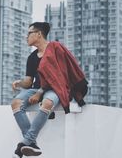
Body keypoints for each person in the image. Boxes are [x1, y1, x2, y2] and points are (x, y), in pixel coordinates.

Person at [11, 22, 88, 157]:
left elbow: (60, 75)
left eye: (29, 33)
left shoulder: (56, 48)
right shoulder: (32, 57)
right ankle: (31, 143)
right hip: (36, 89)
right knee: (16, 103)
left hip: (55, 88)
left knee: (47, 102)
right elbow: (29, 81)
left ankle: (23, 144)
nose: (26, 36)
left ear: (39, 34)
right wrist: (20, 83)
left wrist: (41, 92)